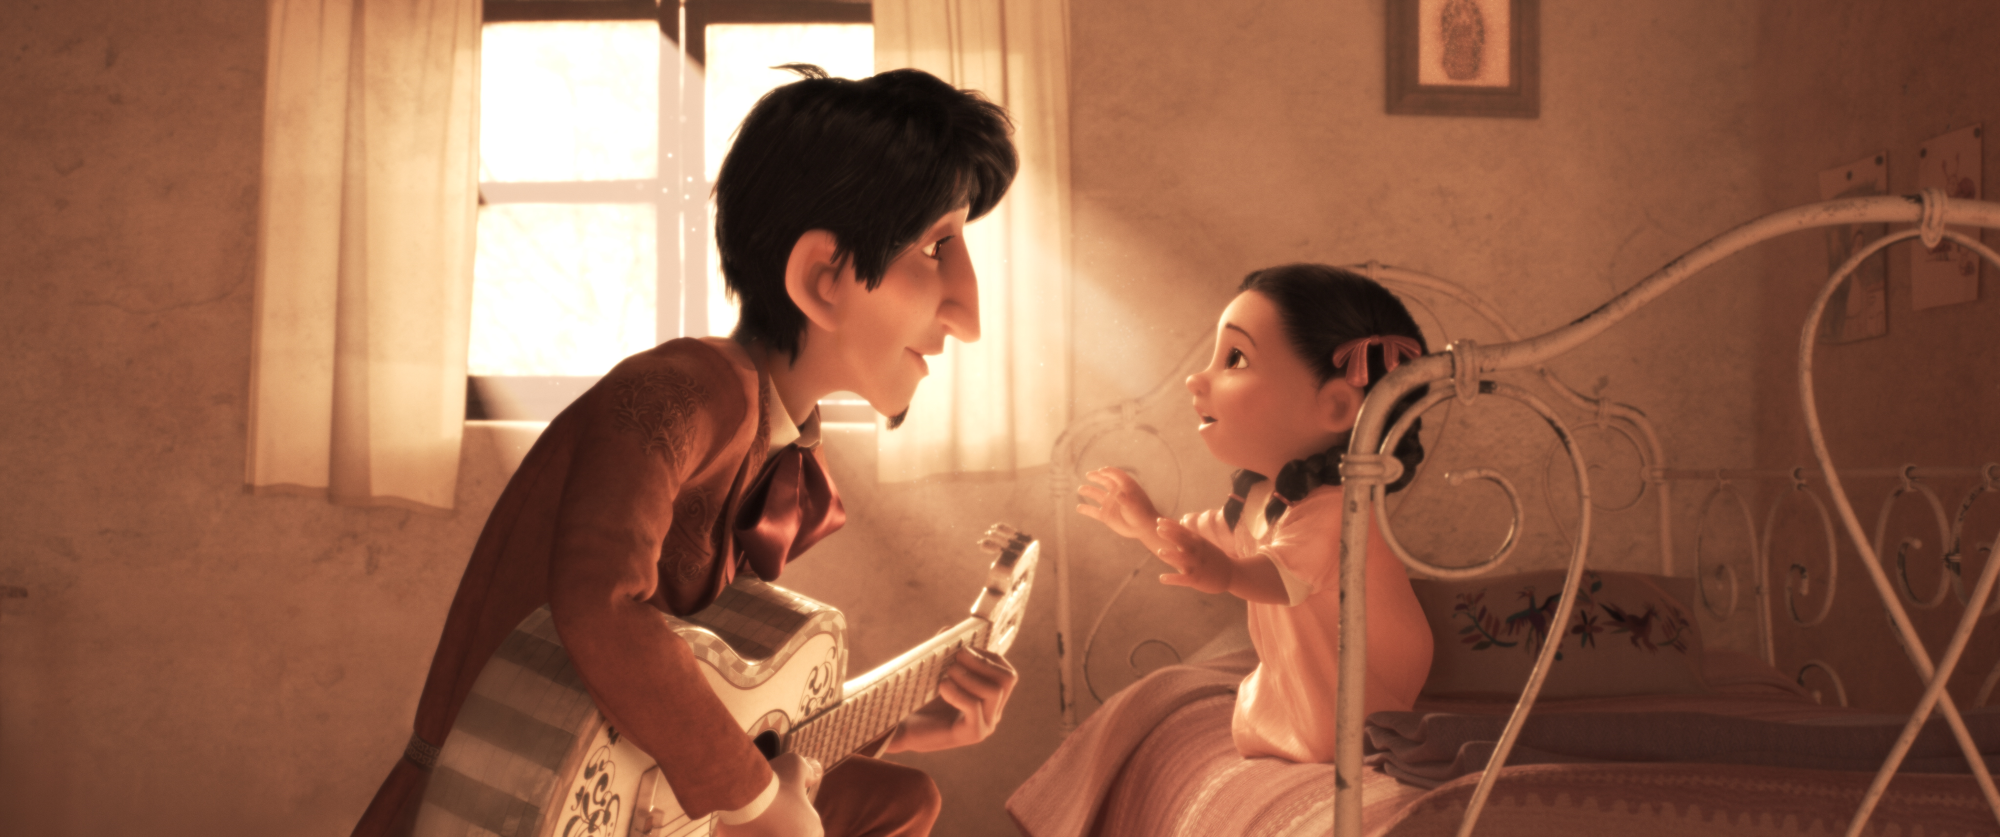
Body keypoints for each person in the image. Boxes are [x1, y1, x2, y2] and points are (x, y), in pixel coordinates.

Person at [350, 66, 1021, 837]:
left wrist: (905, 724)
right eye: (937, 246)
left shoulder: (781, 446)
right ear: (824, 278)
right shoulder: (679, 393)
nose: (967, 315)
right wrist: (758, 801)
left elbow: (722, 693)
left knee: (901, 798)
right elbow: (600, 603)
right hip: (506, 802)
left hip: (640, 789)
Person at [1075, 263, 1435, 763]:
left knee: (1332, 731)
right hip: (1295, 671)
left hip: (1350, 683)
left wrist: (1225, 573)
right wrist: (1146, 523)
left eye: (1236, 358)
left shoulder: (1339, 511)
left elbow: (1279, 579)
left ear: (1336, 407)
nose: (1195, 378)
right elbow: (1196, 547)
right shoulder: (1264, 499)